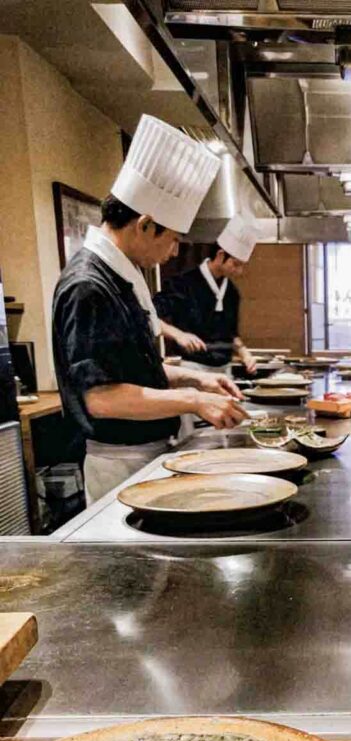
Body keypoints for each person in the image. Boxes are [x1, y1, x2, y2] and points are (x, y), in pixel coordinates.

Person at [52, 115, 247, 505]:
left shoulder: (120, 276)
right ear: (144, 224)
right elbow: (102, 399)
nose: (173, 252)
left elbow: (133, 370)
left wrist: (197, 381)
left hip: (147, 453)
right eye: (172, 239)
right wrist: (193, 400)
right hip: (120, 464)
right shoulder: (89, 285)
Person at [155, 214, 261, 373]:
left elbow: (231, 334)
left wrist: (244, 353)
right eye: (236, 264)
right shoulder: (182, 284)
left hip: (224, 369)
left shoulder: (232, 292)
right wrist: (178, 335)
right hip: (191, 368)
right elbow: (148, 315)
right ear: (220, 255)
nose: (239, 271)